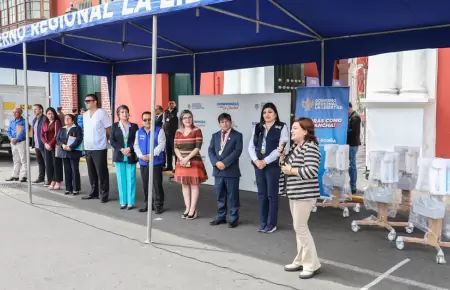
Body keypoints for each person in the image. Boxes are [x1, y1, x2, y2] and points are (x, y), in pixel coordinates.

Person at [279, 117, 321, 279]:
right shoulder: (296, 147)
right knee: (298, 229)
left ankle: (312, 265)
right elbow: (285, 168)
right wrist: (282, 157)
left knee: (301, 228)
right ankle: (301, 260)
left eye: (295, 128)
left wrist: (292, 171)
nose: (292, 130)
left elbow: (311, 171)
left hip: (305, 194)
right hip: (294, 193)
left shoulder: (310, 148)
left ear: (305, 131)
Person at [248, 102, 289, 234]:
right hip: (258, 165)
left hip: (272, 166)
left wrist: (265, 161)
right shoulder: (258, 127)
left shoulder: (282, 127)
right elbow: (251, 147)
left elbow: (281, 148)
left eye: (270, 112)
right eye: (264, 112)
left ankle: (272, 224)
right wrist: (256, 161)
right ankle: (263, 222)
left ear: (276, 114)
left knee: (272, 195)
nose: (267, 114)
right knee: (262, 195)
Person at [208, 113, 243, 228]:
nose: (225, 123)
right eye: (222, 122)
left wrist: (224, 163)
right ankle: (221, 216)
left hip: (231, 171)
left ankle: (233, 218)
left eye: (227, 121)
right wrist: (216, 163)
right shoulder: (215, 136)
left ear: (231, 122)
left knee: (233, 196)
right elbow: (210, 151)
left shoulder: (237, 135)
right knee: (220, 195)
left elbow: (237, 151)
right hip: (218, 171)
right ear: (219, 124)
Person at [174, 110, 208, 220]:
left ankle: (193, 210)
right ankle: (187, 208)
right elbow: (175, 147)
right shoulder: (178, 131)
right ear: (181, 120)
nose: (187, 120)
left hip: (194, 162)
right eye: (185, 118)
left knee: (194, 186)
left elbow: (197, 147)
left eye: (189, 117)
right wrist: (181, 159)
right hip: (181, 161)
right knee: (184, 185)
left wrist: (187, 158)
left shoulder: (197, 130)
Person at [133, 111, 166, 214]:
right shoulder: (139, 132)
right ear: (142, 121)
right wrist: (141, 156)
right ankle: (148, 205)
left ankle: (158, 205)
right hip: (143, 162)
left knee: (157, 185)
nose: (147, 121)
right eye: (145, 120)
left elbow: (161, 145)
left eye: (149, 119)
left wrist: (151, 155)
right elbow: (136, 145)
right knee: (146, 185)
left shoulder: (159, 130)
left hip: (155, 162)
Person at [81, 93, 112, 204]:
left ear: (95, 102)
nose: (86, 103)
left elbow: (108, 129)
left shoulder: (101, 113)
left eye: (89, 101)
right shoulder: (85, 115)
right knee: (91, 172)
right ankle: (94, 192)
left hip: (99, 147)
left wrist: (104, 140)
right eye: (86, 101)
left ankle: (104, 194)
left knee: (101, 172)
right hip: (88, 147)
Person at [110, 105, 139, 210]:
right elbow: (112, 141)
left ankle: (130, 202)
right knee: (121, 179)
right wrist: (122, 149)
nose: (124, 114)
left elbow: (136, 140)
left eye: (126, 112)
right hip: (119, 155)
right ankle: (123, 201)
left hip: (130, 155)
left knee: (131, 178)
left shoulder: (134, 126)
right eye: (122, 112)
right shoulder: (114, 126)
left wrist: (129, 149)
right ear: (118, 114)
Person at [57, 114, 83, 195]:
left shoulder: (77, 128)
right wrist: (62, 145)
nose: (66, 120)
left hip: (73, 152)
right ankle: (68, 188)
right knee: (67, 170)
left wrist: (71, 147)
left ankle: (76, 188)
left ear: (72, 120)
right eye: (65, 118)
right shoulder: (62, 129)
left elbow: (79, 139)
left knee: (74, 170)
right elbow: (58, 139)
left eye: (68, 118)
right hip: (64, 152)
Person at [42, 107, 63, 190]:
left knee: (56, 164)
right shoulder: (45, 123)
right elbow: (42, 135)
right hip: (47, 146)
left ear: (54, 114)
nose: (50, 115)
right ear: (46, 115)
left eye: (52, 113)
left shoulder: (57, 122)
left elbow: (57, 135)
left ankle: (57, 180)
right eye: (49, 114)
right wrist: (45, 144)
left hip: (55, 146)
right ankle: (51, 180)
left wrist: (50, 144)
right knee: (49, 164)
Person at [5, 108, 27, 182]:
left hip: (21, 142)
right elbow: (8, 131)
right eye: (13, 112)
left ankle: (24, 176)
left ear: (20, 113)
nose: (14, 114)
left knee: (23, 159)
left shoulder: (24, 122)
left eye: (16, 112)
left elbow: (23, 132)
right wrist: (11, 138)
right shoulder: (12, 122)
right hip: (13, 142)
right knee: (16, 160)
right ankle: (15, 175)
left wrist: (16, 139)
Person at [347, 102, 361, 194]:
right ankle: (350, 185)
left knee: (352, 166)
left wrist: (343, 130)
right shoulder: (350, 117)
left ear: (349, 108)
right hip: (349, 144)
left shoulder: (355, 117)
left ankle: (353, 187)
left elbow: (354, 132)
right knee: (350, 165)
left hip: (352, 144)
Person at [31, 104, 47, 184]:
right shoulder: (34, 120)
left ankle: (50, 179)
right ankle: (41, 178)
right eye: (33, 109)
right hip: (37, 144)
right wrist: (33, 143)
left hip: (43, 144)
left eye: (36, 109)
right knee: (40, 162)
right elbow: (33, 133)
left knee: (47, 162)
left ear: (41, 110)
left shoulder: (44, 119)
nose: (34, 111)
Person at [163, 100, 178, 172]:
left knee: (175, 151)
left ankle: (176, 167)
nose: (171, 104)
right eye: (169, 103)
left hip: (174, 134)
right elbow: (163, 123)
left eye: (172, 103)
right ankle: (169, 166)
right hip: (166, 134)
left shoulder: (177, 111)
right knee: (168, 150)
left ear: (175, 104)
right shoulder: (165, 112)